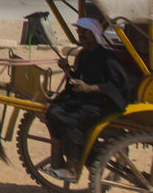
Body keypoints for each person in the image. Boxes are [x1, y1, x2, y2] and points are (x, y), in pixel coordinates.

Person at [40, 15, 134, 182]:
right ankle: (56, 161)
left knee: (68, 119)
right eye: (79, 32)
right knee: (53, 111)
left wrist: (89, 88)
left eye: (84, 32)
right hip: (84, 100)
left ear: (93, 33)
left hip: (101, 103)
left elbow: (119, 84)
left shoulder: (106, 57)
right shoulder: (84, 55)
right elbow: (78, 77)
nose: (81, 35)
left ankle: (72, 169)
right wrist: (68, 70)